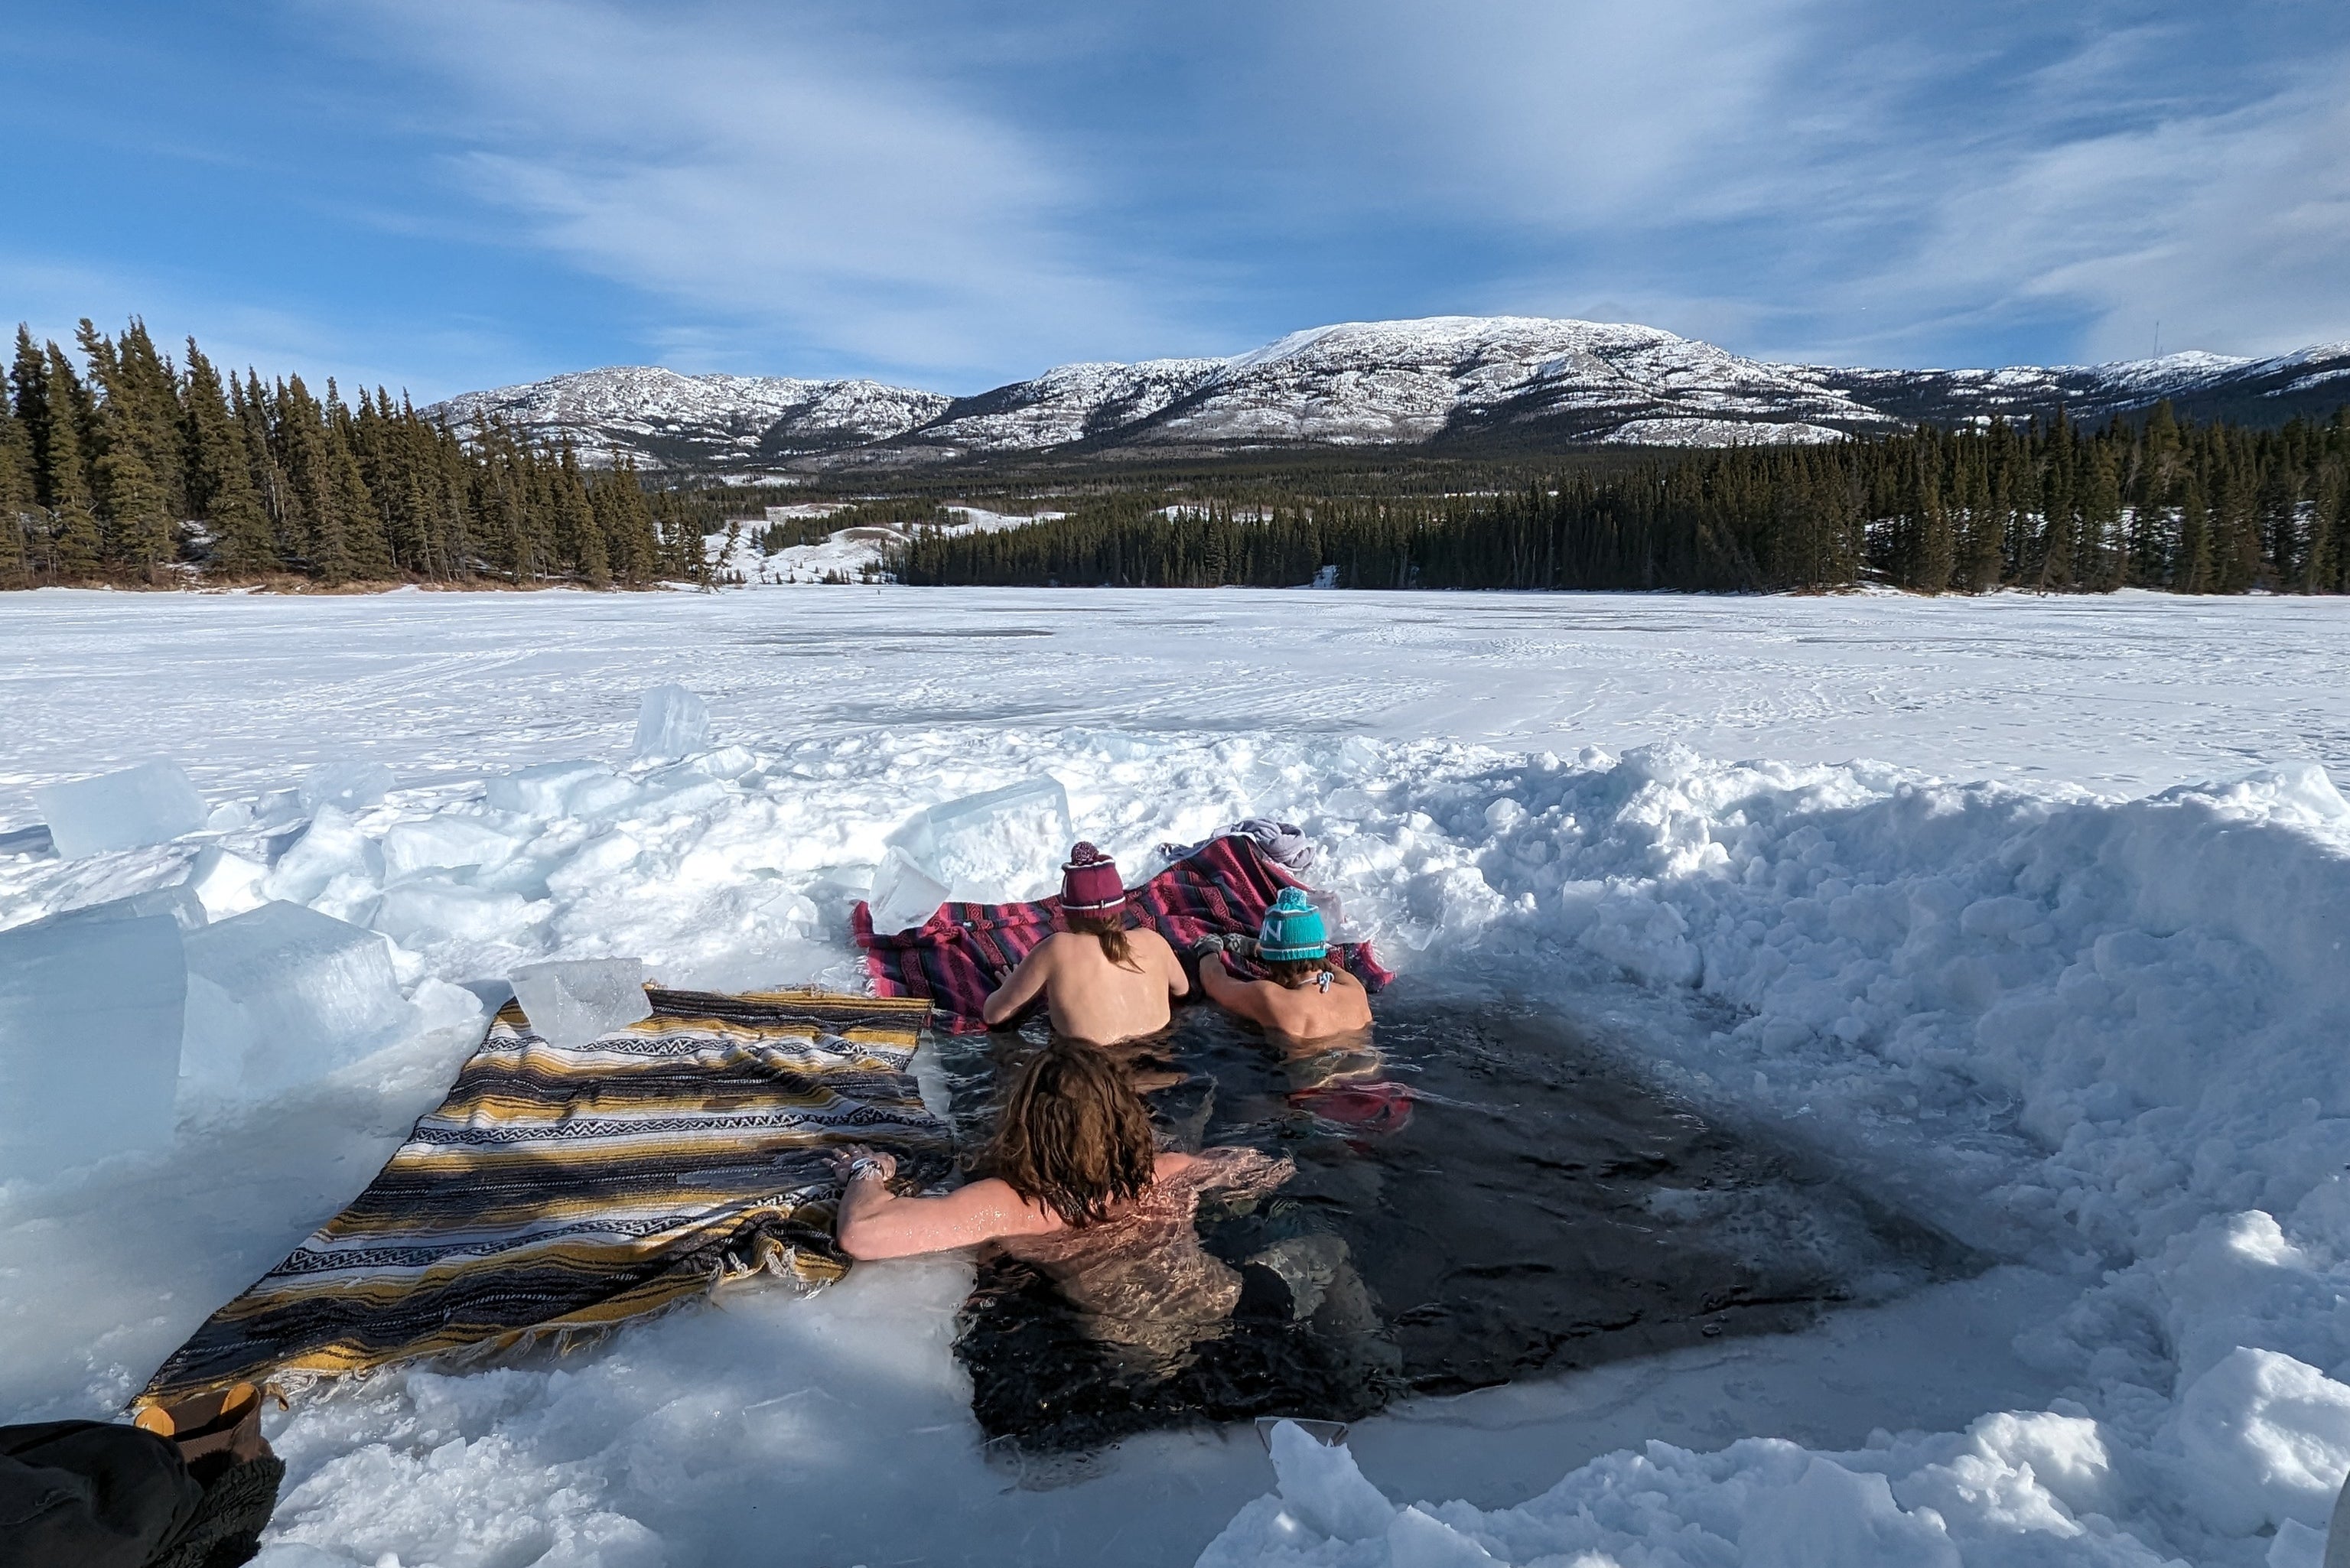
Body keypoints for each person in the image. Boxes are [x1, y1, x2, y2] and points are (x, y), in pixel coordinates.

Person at [832, 1038, 1291, 1365]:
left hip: (1141, 1352)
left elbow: (862, 1233)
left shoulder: (1014, 1205)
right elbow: (1272, 1171)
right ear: (1124, 1114)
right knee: (1326, 1259)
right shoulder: (1167, 1170)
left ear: (1024, 1120)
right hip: (1233, 1301)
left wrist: (867, 1170)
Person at [981, 844, 1188, 1045]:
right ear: (1121, 908)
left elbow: (993, 1015)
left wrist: (1012, 987)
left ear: (1066, 912)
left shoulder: (1057, 949)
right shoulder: (1154, 941)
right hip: (1162, 1062)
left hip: (1089, 1071)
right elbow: (1183, 990)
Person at [1193, 888, 1372, 1040]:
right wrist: (1258, 948)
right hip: (1370, 1076)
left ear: (1273, 963)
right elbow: (1322, 962)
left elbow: (1214, 982)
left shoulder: (1271, 998)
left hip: (1313, 1080)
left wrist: (1209, 949)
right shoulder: (1354, 989)